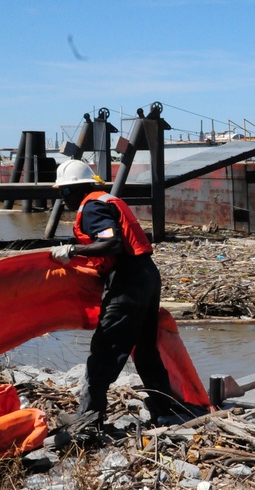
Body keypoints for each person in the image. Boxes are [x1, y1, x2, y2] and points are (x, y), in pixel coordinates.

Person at [50, 160, 180, 427]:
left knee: (107, 347)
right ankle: (164, 409)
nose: (63, 199)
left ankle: (88, 418)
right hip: (146, 275)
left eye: (64, 192)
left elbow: (112, 243)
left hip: (129, 280)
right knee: (145, 350)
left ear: (78, 189)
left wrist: (72, 251)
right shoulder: (106, 200)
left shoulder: (93, 207)